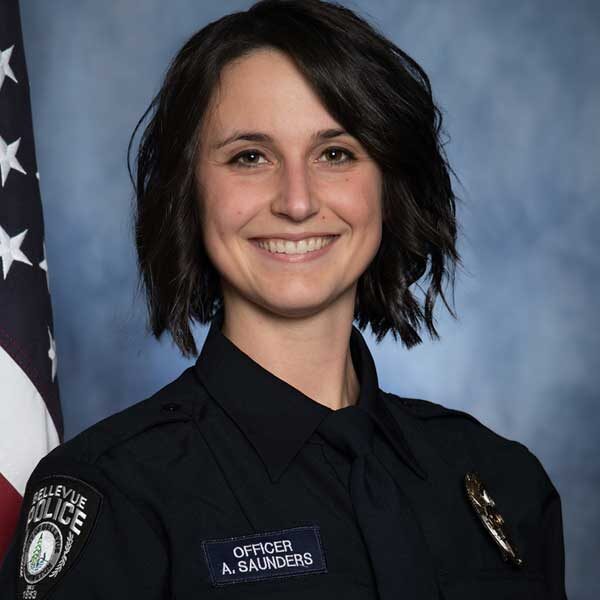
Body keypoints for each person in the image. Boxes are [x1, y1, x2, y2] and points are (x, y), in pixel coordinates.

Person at [0, 0, 567, 598]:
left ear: (390, 187)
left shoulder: (501, 482)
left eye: (336, 153)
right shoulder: (113, 493)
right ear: (188, 193)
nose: (297, 202)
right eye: (250, 156)